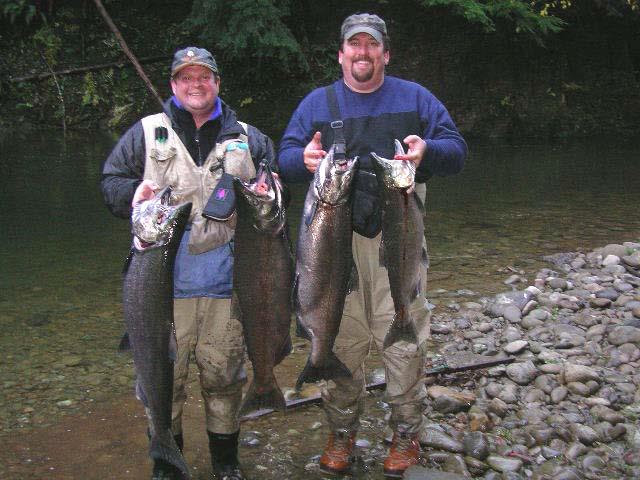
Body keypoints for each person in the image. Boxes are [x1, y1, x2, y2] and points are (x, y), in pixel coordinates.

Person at [279, 13, 467, 478]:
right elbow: (283, 159)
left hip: (398, 242)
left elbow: (457, 149)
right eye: (354, 45)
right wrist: (301, 160)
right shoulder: (316, 104)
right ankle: (341, 432)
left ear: (385, 52)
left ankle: (406, 434)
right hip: (330, 243)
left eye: (371, 45)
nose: (362, 53)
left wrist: (429, 151)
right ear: (341, 54)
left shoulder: (415, 98)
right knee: (340, 336)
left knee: (402, 341)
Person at [102, 46, 276, 480]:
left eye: (205, 76)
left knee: (224, 379)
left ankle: (226, 461)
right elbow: (111, 183)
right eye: (186, 77)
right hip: (161, 291)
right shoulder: (145, 133)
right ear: (173, 85)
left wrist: (267, 190)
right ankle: (167, 460)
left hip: (228, 286)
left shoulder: (250, 138)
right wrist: (132, 195)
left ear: (217, 82)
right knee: (165, 382)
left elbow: (279, 195)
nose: (196, 84)